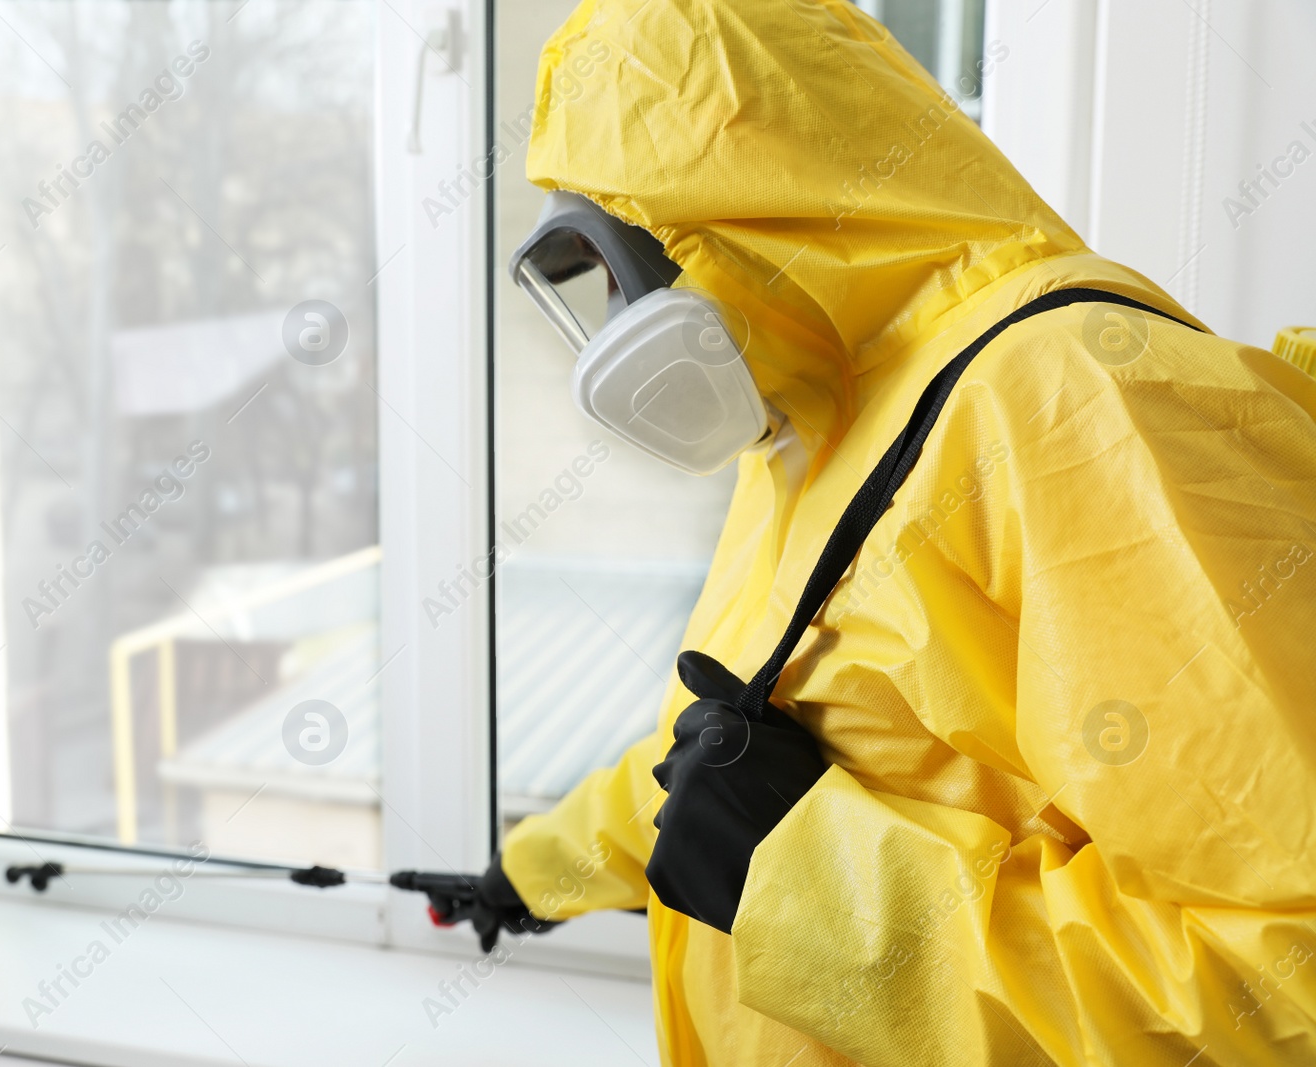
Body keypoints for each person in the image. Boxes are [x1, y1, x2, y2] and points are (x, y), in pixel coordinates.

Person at [442, 0, 1316, 1064]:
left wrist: (803, 884)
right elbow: (719, 758)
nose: (620, 319)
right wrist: (534, 870)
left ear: (736, 209)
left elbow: (1281, 979)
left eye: (624, 255)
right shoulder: (814, 434)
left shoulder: (1069, 399)